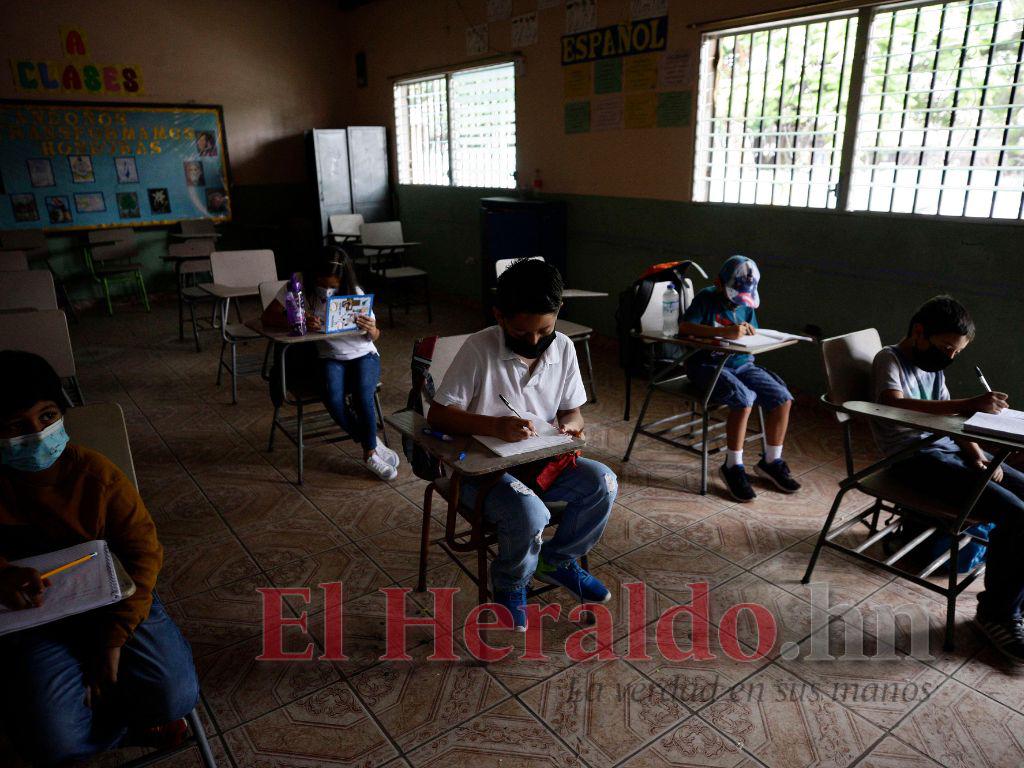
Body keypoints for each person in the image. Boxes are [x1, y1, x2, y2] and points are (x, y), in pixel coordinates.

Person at [0, 351, 199, 766]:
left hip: (110, 599)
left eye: (47, 416)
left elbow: (144, 555)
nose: (37, 435)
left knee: (175, 694)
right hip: (33, 622)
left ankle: (112, 706)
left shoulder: (97, 477)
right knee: (54, 743)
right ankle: (108, 717)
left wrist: (113, 641)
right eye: (17, 426)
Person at [428, 258, 617, 631]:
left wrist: (571, 429)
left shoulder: (562, 348)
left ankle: (558, 559)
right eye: (521, 332)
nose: (534, 342)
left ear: (558, 311)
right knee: (530, 513)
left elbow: (573, 413)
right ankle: (511, 582)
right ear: (499, 315)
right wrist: (494, 425)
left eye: (544, 330)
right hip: (481, 472)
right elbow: (438, 415)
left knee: (604, 482)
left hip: (542, 464)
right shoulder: (479, 349)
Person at [871, 295, 1024, 662]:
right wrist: (968, 404)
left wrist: (975, 454)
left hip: (949, 454)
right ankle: (997, 614)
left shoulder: (934, 368)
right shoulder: (889, 358)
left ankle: (1014, 596)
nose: (950, 357)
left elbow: (952, 423)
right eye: (945, 347)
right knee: (1017, 514)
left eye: (956, 352)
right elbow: (893, 403)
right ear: (919, 332)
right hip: (912, 462)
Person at [262, 256, 400, 481]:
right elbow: (267, 317)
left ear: (342, 281)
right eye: (322, 284)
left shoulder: (354, 291)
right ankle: (371, 440)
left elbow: (375, 336)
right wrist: (298, 321)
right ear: (313, 276)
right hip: (330, 357)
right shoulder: (300, 287)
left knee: (363, 395)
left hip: (364, 355)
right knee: (332, 398)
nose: (326, 291)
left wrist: (371, 328)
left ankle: (369, 454)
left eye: (332, 287)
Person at [678, 255, 801, 502]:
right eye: (732, 295)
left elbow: (746, 331)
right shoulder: (706, 298)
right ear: (719, 283)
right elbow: (685, 328)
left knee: (782, 398)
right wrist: (723, 332)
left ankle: (771, 461)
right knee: (744, 398)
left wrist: (749, 333)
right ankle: (733, 466)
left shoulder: (745, 304)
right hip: (706, 365)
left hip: (741, 364)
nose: (737, 304)